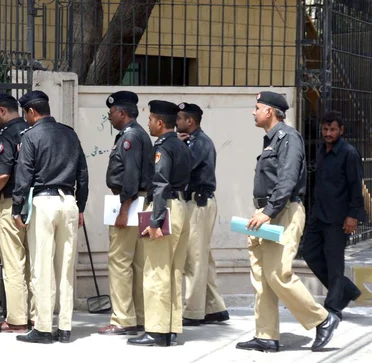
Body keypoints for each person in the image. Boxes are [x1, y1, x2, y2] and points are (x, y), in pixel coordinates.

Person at [236, 91, 339, 353]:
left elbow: (287, 180)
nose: (253, 112)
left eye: (257, 107)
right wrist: (262, 211)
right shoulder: (271, 140)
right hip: (266, 213)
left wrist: (268, 211)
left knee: (278, 273)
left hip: (281, 212)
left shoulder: (288, 138)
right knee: (261, 276)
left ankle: (323, 319)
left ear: (269, 111)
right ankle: (266, 336)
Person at [12, 90, 89, 344]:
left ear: (32, 112)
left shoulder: (31, 136)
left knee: (42, 266)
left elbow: (23, 176)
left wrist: (17, 208)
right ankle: (65, 327)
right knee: (65, 268)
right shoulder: (70, 133)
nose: (26, 118)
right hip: (69, 202)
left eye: (26, 113)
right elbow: (82, 174)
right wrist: (81, 207)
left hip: (44, 203)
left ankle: (44, 327)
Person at [127, 100, 192, 347]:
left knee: (155, 271)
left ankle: (155, 330)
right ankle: (170, 328)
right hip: (181, 206)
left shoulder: (163, 147)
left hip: (164, 207)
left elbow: (161, 182)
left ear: (160, 122)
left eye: (151, 119)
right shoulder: (182, 144)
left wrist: (155, 220)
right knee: (174, 271)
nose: (149, 123)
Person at [98, 91, 152, 336]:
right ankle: (139, 316)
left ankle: (122, 319)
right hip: (140, 201)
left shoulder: (130, 137)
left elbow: (130, 174)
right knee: (138, 263)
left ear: (121, 112)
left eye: (111, 113)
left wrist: (124, 209)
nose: (109, 117)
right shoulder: (140, 134)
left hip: (129, 202)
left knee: (120, 262)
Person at [301, 111, 363, 320]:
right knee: (309, 253)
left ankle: (333, 307)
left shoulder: (349, 153)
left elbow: (356, 187)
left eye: (332, 129)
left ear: (341, 130)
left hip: (338, 217)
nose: (328, 133)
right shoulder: (320, 151)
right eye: (325, 129)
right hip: (318, 214)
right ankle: (347, 290)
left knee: (334, 262)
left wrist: (352, 216)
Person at [0, 94, 36, 333]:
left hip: (10, 204)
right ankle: (36, 316)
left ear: (2, 111)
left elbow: (3, 175)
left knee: (13, 264)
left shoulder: (6, 136)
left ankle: (16, 319)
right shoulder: (33, 131)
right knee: (33, 263)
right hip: (34, 204)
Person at [176, 102, 229, 326]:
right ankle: (215, 307)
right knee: (203, 259)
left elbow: (183, 168)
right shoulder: (193, 141)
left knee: (194, 259)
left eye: (179, 118)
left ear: (190, 121)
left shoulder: (200, 142)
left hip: (198, 203)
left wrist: (175, 148)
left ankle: (193, 311)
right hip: (197, 202)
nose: (176, 122)